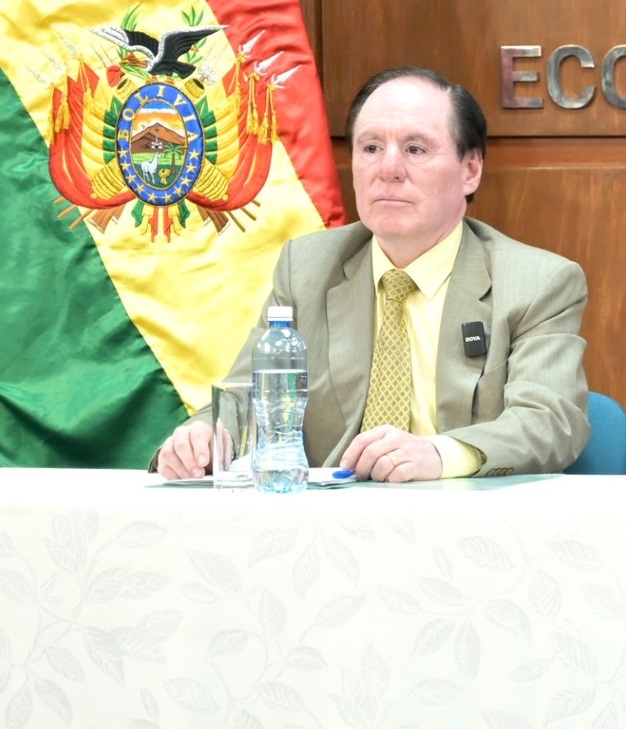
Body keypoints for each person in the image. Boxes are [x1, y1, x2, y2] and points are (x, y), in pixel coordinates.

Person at [155, 67, 590, 482]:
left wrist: (437, 454)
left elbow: (548, 421)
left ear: (470, 170)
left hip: (468, 529)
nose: (389, 168)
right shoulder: (307, 267)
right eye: (370, 148)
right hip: (331, 529)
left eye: (416, 149)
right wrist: (206, 433)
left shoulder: (537, 283)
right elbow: (246, 395)